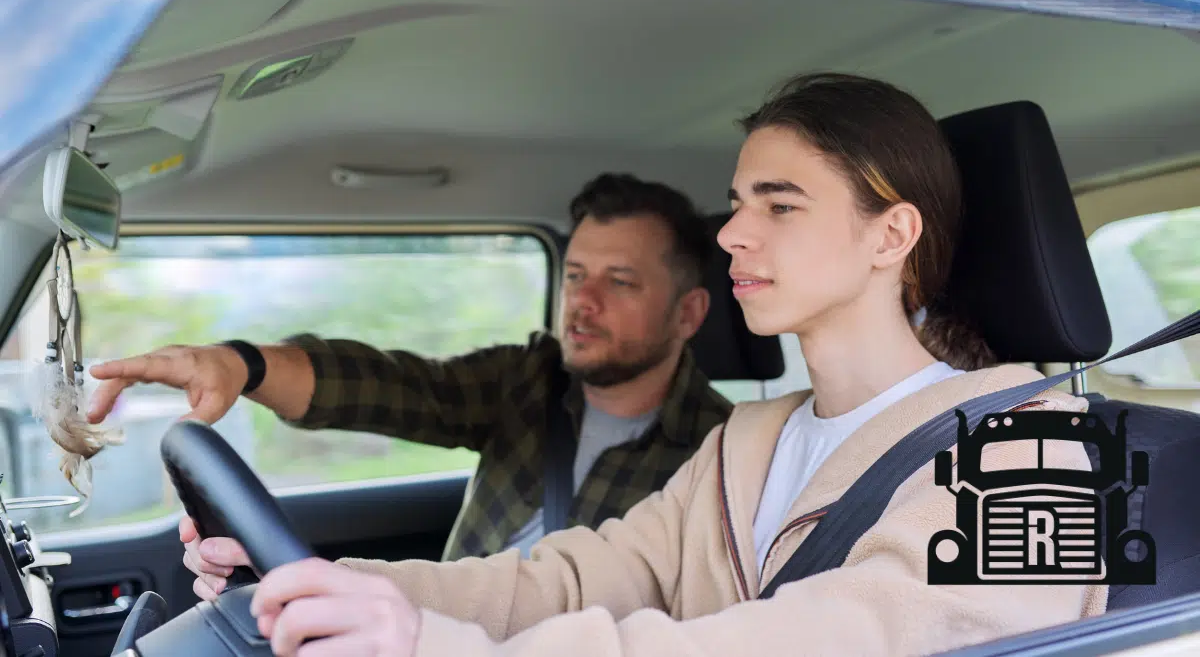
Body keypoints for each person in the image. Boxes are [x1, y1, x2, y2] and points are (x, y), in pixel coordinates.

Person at [173, 72, 1107, 657]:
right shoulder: (748, 443)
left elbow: (845, 637)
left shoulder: (1039, 454)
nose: (732, 232)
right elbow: (567, 582)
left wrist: (437, 647)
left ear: (890, 234)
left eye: (779, 205)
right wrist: (341, 588)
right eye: (738, 202)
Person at [86, 172, 735, 564]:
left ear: (688, 313)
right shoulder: (529, 380)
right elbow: (393, 387)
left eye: (620, 282)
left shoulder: (727, 453)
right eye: (574, 275)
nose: (583, 302)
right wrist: (242, 364)